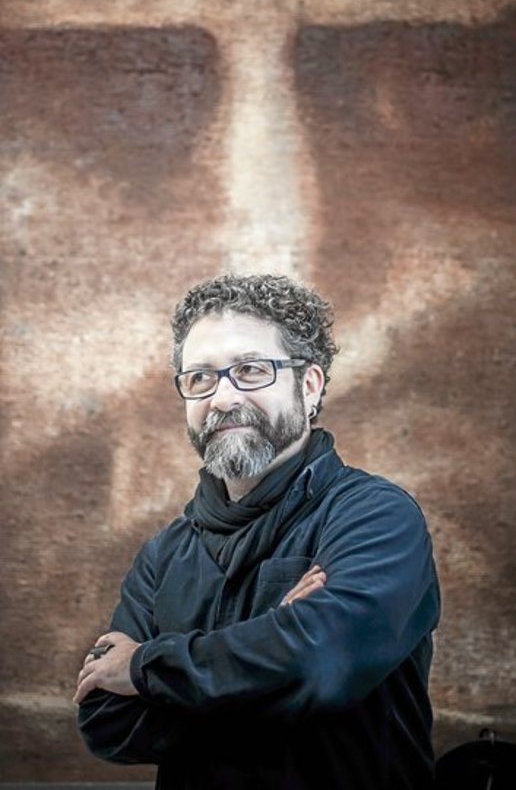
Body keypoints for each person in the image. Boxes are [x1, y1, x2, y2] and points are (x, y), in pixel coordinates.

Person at [75, 273, 441, 789]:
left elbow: (320, 664)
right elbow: (105, 721)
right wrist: (274, 653)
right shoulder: (163, 555)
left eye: (250, 370)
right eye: (200, 377)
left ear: (309, 386)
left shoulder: (375, 517)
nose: (223, 398)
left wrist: (144, 671)